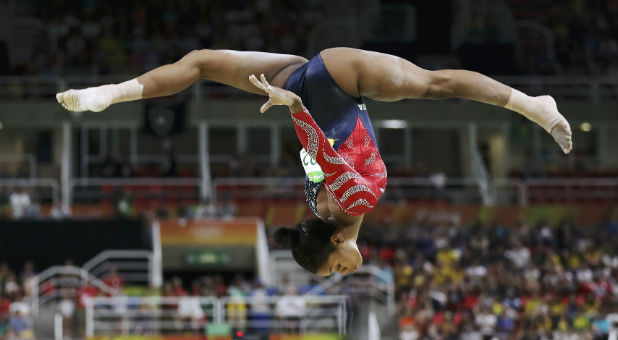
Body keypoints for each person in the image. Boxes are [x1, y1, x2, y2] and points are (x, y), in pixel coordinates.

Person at [56, 48, 572, 276]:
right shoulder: (317, 204)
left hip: (335, 84)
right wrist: (295, 109)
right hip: (296, 84)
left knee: (437, 84)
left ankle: (533, 105)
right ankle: (108, 93)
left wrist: (298, 110)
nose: (344, 273)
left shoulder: (353, 203)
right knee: (200, 63)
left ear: (339, 243)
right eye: (336, 275)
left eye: (335, 271)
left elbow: (325, 153)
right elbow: (315, 160)